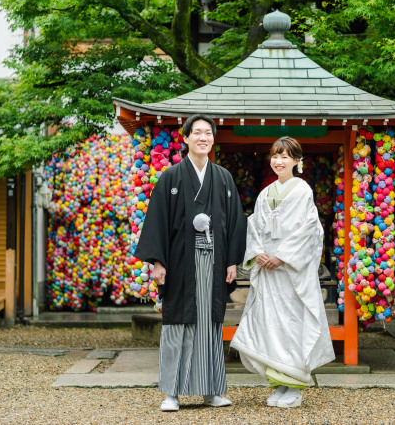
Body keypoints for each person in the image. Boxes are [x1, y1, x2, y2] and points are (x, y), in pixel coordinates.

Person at [134, 114, 246, 412]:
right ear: (185, 139)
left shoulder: (223, 177)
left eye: (208, 133)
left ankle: (212, 391)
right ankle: (172, 392)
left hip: (214, 258)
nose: (203, 138)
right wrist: (158, 262)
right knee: (178, 323)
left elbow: (235, 222)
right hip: (181, 260)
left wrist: (233, 261)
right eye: (197, 133)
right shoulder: (171, 176)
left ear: (212, 139)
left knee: (210, 324)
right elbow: (157, 219)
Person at [231, 137, 335, 408]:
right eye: (275, 156)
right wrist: (258, 252)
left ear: (297, 161)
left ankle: (294, 386)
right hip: (268, 269)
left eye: (286, 156)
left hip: (290, 272)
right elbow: (253, 226)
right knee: (270, 324)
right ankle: (279, 384)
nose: (279, 161)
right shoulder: (266, 193)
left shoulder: (302, 190)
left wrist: (282, 256)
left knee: (291, 325)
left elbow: (307, 230)